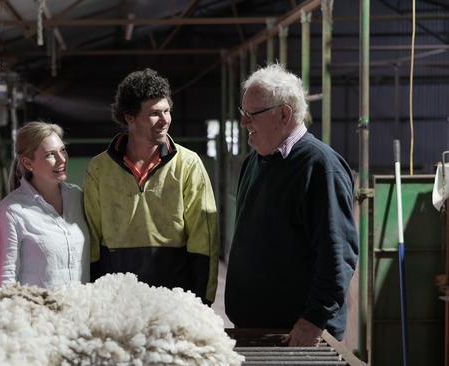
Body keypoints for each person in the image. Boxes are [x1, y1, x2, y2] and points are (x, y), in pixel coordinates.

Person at [224, 64, 358, 345]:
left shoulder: (320, 166)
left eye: (252, 115)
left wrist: (313, 320)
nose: (245, 123)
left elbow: (338, 254)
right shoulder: (255, 161)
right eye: (243, 114)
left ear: (284, 114)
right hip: (255, 328)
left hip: (298, 334)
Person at [83, 68, 218, 304]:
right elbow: (92, 239)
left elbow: (204, 238)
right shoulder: (99, 169)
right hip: (117, 300)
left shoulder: (188, 164)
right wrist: (94, 297)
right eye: (155, 113)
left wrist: (203, 301)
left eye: (167, 111)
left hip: (174, 299)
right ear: (129, 117)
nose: (165, 120)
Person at [0, 122, 90, 289]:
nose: (62, 159)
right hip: (38, 312)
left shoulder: (77, 197)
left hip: (80, 310)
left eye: (63, 150)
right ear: (28, 163)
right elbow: (6, 280)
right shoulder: (11, 211)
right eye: (50, 155)